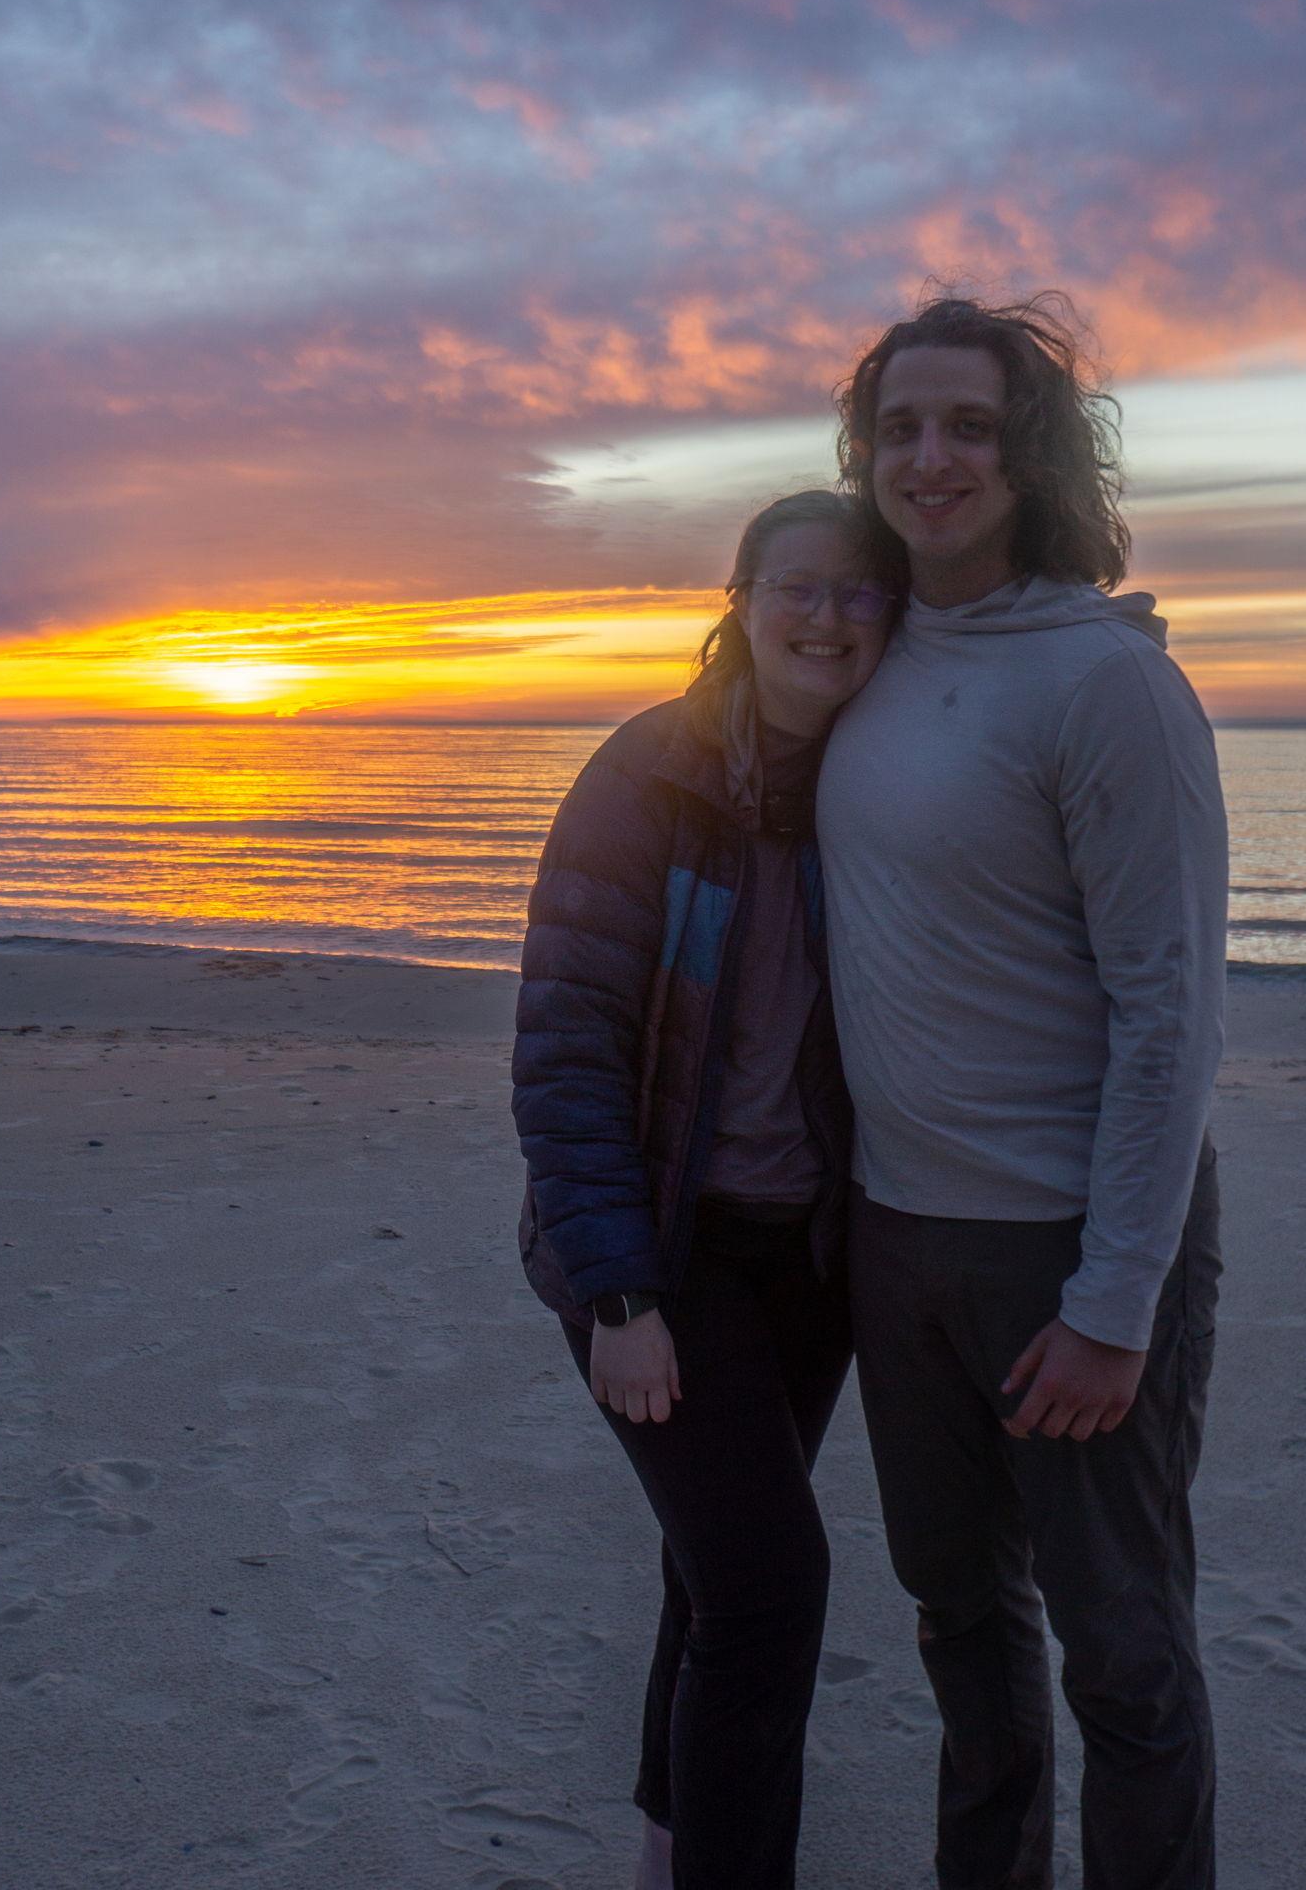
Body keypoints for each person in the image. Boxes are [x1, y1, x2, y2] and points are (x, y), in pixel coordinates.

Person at [817, 292, 1228, 1890]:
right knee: (963, 1630)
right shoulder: (870, 651)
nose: (931, 458)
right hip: (898, 1240)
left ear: (1030, 452)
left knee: (1123, 1656)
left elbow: (1170, 1008)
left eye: (970, 426)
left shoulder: (1105, 687)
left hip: (1075, 1247)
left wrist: (1120, 1297)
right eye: (900, 428)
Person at [512, 488, 903, 1890]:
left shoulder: (885, 780)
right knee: (773, 1590)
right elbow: (566, 1053)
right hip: (661, 1260)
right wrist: (617, 1291)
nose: (827, 614)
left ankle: (668, 1850)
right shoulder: (648, 779)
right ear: (738, 601)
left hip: (809, 1261)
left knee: (713, 1571)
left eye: (860, 591)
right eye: (796, 586)